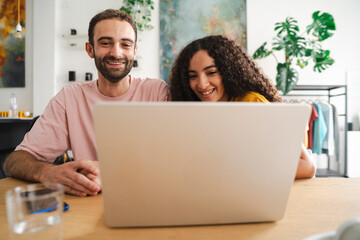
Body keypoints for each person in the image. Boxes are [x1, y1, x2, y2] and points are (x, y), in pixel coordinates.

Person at [4, 9, 169, 196]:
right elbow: (15, 161)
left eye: (125, 44)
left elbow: (172, 162)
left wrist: (108, 174)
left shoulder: (157, 92)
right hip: (88, 203)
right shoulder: (69, 98)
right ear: (90, 49)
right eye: (106, 43)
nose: (116, 53)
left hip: (146, 197)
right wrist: (48, 172)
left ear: (134, 51)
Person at [169, 35, 315, 179]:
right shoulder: (194, 111)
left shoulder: (251, 103)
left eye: (211, 73)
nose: (201, 84)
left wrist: (233, 172)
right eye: (192, 76)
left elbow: (307, 166)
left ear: (229, 71)